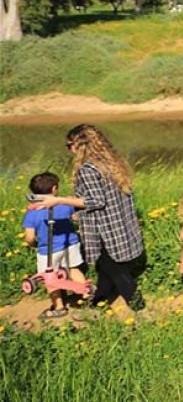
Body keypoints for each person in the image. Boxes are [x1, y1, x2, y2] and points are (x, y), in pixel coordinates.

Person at [32, 124, 146, 311]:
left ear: (80, 145)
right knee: (106, 267)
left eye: (69, 145)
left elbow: (97, 200)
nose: (69, 150)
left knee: (115, 270)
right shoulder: (111, 162)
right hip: (119, 224)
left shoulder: (87, 169)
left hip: (105, 229)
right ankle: (99, 301)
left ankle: (138, 306)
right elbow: (108, 197)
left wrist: (59, 200)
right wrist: (79, 213)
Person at [22, 172, 86, 319]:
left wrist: (34, 244)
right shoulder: (65, 205)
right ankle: (85, 294)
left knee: (49, 278)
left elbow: (29, 237)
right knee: (74, 269)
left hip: (47, 250)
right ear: (54, 189)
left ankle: (59, 307)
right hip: (71, 244)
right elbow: (75, 217)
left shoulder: (32, 212)